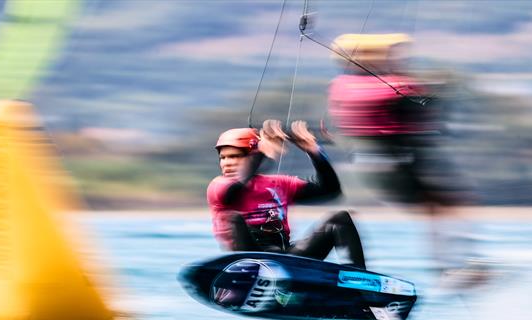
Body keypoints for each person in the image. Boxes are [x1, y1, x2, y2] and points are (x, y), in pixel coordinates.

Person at [327, 33, 490, 286]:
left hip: (390, 162)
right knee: (440, 207)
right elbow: (417, 101)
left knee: (444, 206)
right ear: (370, 58)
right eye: (389, 55)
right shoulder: (385, 85)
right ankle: (451, 269)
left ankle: (455, 267)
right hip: (394, 163)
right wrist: (436, 90)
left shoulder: (342, 84)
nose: (394, 59)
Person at [207, 119, 365, 270]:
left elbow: (330, 190)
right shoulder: (219, 185)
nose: (226, 162)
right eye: (223, 157)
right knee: (235, 218)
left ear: (251, 156)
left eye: (235, 156)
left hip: (286, 259)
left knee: (340, 219)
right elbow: (231, 195)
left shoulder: (279, 184)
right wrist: (262, 153)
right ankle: (253, 272)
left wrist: (314, 151)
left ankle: (358, 280)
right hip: (248, 263)